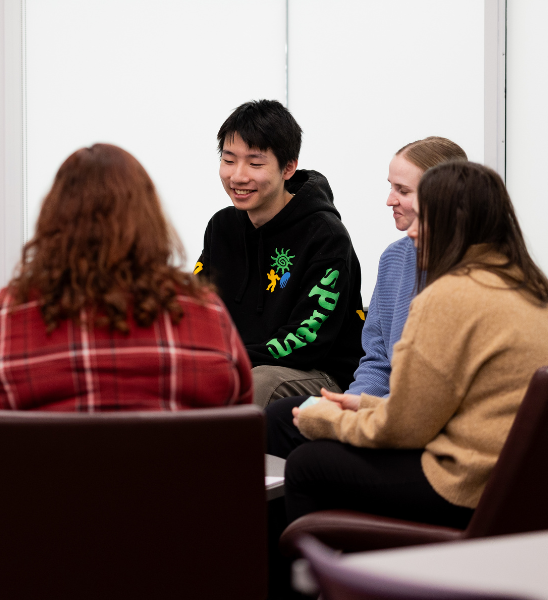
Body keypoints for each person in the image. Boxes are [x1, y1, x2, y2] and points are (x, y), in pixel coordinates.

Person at [269, 161, 548, 529]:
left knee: (307, 459)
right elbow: (434, 407)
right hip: (512, 483)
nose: (412, 234)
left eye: (423, 220)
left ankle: (316, 580)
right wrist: (362, 403)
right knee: (287, 416)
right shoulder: (529, 287)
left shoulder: (449, 295)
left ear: (457, 225)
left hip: (462, 484)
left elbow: (408, 429)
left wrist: (329, 420)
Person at [0, 143, 253, 411]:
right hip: (177, 475)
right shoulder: (208, 314)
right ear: (150, 219)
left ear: (53, 219)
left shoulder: (5, 317)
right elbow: (240, 430)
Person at [264, 137, 468, 433]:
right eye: (391, 187)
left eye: (403, 191)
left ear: (442, 196)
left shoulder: (473, 275)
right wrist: (348, 405)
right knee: (282, 415)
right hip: (377, 409)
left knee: (307, 458)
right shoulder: (393, 259)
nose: (390, 200)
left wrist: (358, 418)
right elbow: (376, 359)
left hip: (413, 421)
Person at [194, 100, 365, 406]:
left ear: (288, 167)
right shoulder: (221, 226)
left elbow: (307, 340)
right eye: (229, 160)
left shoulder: (326, 236)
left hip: (317, 375)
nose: (238, 176)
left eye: (255, 164)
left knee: (257, 383)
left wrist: (230, 360)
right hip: (240, 362)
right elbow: (199, 306)